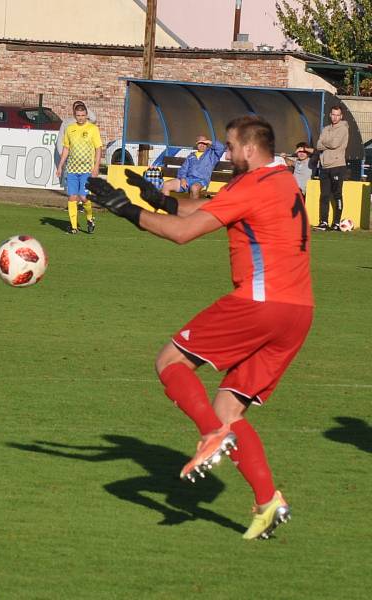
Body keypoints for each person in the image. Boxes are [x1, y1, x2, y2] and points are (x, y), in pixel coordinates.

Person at [85, 115, 313, 540]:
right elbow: (209, 210)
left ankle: (210, 436)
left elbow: (186, 232)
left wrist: (126, 210)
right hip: (298, 313)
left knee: (170, 360)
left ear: (249, 148)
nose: (225, 154)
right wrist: (158, 198)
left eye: (229, 147)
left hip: (260, 303)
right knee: (230, 409)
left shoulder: (251, 185)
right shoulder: (281, 179)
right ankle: (267, 501)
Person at [55, 103, 103, 234]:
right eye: (78, 115)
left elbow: (98, 148)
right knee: (72, 197)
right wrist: (60, 166)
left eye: (83, 115)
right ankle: (74, 227)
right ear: (75, 116)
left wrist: (96, 166)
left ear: (86, 115)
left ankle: (89, 218)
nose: (81, 118)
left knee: (84, 197)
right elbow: (66, 148)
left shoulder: (93, 129)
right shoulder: (70, 129)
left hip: (87, 170)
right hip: (71, 169)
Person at [313, 105, 349, 231]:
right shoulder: (326, 128)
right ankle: (323, 222)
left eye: (337, 115)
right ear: (330, 115)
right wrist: (324, 142)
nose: (335, 117)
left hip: (337, 166)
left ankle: (336, 223)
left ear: (341, 116)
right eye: (333, 114)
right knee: (324, 195)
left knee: (337, 195)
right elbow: (318, 144)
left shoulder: (343, 129)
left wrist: (324, 141)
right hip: (324, 166)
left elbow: (334, 144)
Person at [162, 134, 226, 199]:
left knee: (194, 188)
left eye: (204, 143)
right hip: (188, 180)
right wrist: (183, 179)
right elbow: (183, 169)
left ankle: (192, 208)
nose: (202, 145)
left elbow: (221, 147)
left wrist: (209, 142)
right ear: (196, 144)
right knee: (166, 184)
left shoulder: (212, 155)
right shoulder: (191, 156)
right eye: (200, 143)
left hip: (201, 181)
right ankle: (166, 207)